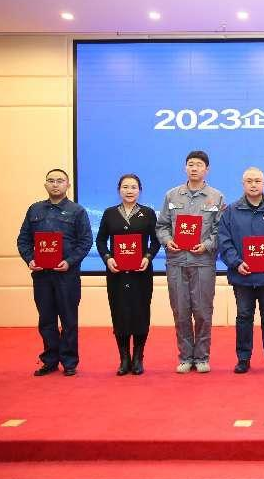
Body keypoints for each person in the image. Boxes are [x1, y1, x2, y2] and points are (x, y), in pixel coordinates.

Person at [17, 168, 92, 377]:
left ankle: (69, 361)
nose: (55, 184)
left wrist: (69, 262)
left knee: (69, 320)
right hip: (42, 275)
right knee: (46, 320)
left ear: (68, 185)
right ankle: (49, 360)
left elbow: (86, 241)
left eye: (60, 181)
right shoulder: (34, 210)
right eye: (51, 181)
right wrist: (30, 259)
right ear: (45, 184)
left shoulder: (77, 211)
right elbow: (23, 240)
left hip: (67, 275)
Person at [156, 151, 225, 374]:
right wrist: (167, 240)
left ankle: (202, 357)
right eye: (190, 164)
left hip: (203, 262)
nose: (194, 168)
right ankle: (185, 357)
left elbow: (220, 230)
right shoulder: (172, 196)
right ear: (185, 168)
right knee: (181, 311)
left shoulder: (216, 197)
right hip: (177, 262)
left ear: (207, 169)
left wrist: (207, 244)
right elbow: (162, 226)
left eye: (199, 165)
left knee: (203, 311)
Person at [218, 167, 264, 373]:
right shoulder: (231, 211)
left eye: (257, 181)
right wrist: (236, 262)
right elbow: (224, 241)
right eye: (249, 181)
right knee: (243, 317)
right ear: (243, 184)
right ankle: (243, 358)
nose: (253, 185)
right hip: (242, 276)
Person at [95, 174, 161, 376]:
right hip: (117, 273)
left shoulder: (148, 213)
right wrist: (107, 258)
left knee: (140, 313)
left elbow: (156, 241)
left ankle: (138, 358)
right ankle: (124, 359)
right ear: (119, 190)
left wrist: (148, 257)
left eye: (133, 187)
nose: (129, 190)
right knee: (120, 313)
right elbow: (100, 240)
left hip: (141, 273)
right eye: (125, 187)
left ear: (140, 190)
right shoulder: (110, 213)